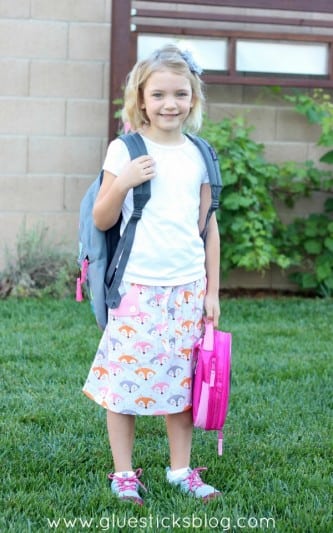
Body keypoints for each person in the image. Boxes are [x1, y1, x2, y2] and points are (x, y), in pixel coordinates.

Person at [83, 44, 221, 505]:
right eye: (158, 94)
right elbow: (102, 219)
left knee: (183, 383)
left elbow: (209, 227)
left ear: (193, 98)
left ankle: (180, 469)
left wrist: (213, 291)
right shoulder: (125, 148)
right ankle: (123, 473)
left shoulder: (200, 154)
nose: (169, 104)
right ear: (141, 99)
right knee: (124, 383)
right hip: (137, 286)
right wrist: (123, 181)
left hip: (187, 287)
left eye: (180, 94)